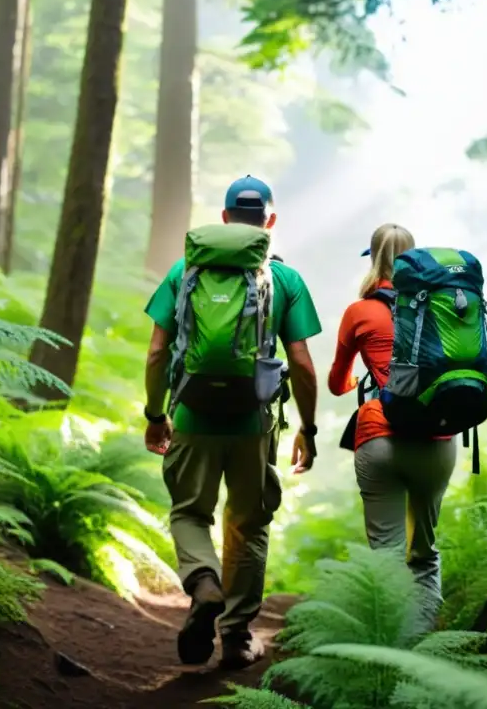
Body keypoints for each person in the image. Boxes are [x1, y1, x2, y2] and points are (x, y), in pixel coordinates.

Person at [142, 175, 322, 670]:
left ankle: (202, 583)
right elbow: (303, 364)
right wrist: (307, 427)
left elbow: (158, 351)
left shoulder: (185, 271)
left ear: (223, 219)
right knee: (248, 524)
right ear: (270, 221)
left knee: (189, 512)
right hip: (253, 422)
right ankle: (238, 636)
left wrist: (156, 415)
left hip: (193, 417)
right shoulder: (284, 280)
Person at [327, 222, 457, 621]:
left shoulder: (360, 311)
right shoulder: (444, 305)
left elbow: (337, 383)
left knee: (385, 557)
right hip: (438, 435)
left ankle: (386, 652)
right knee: (424, 554)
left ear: (373, 257)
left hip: (380, 436)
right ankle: (424, 653)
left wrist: (360, 379)